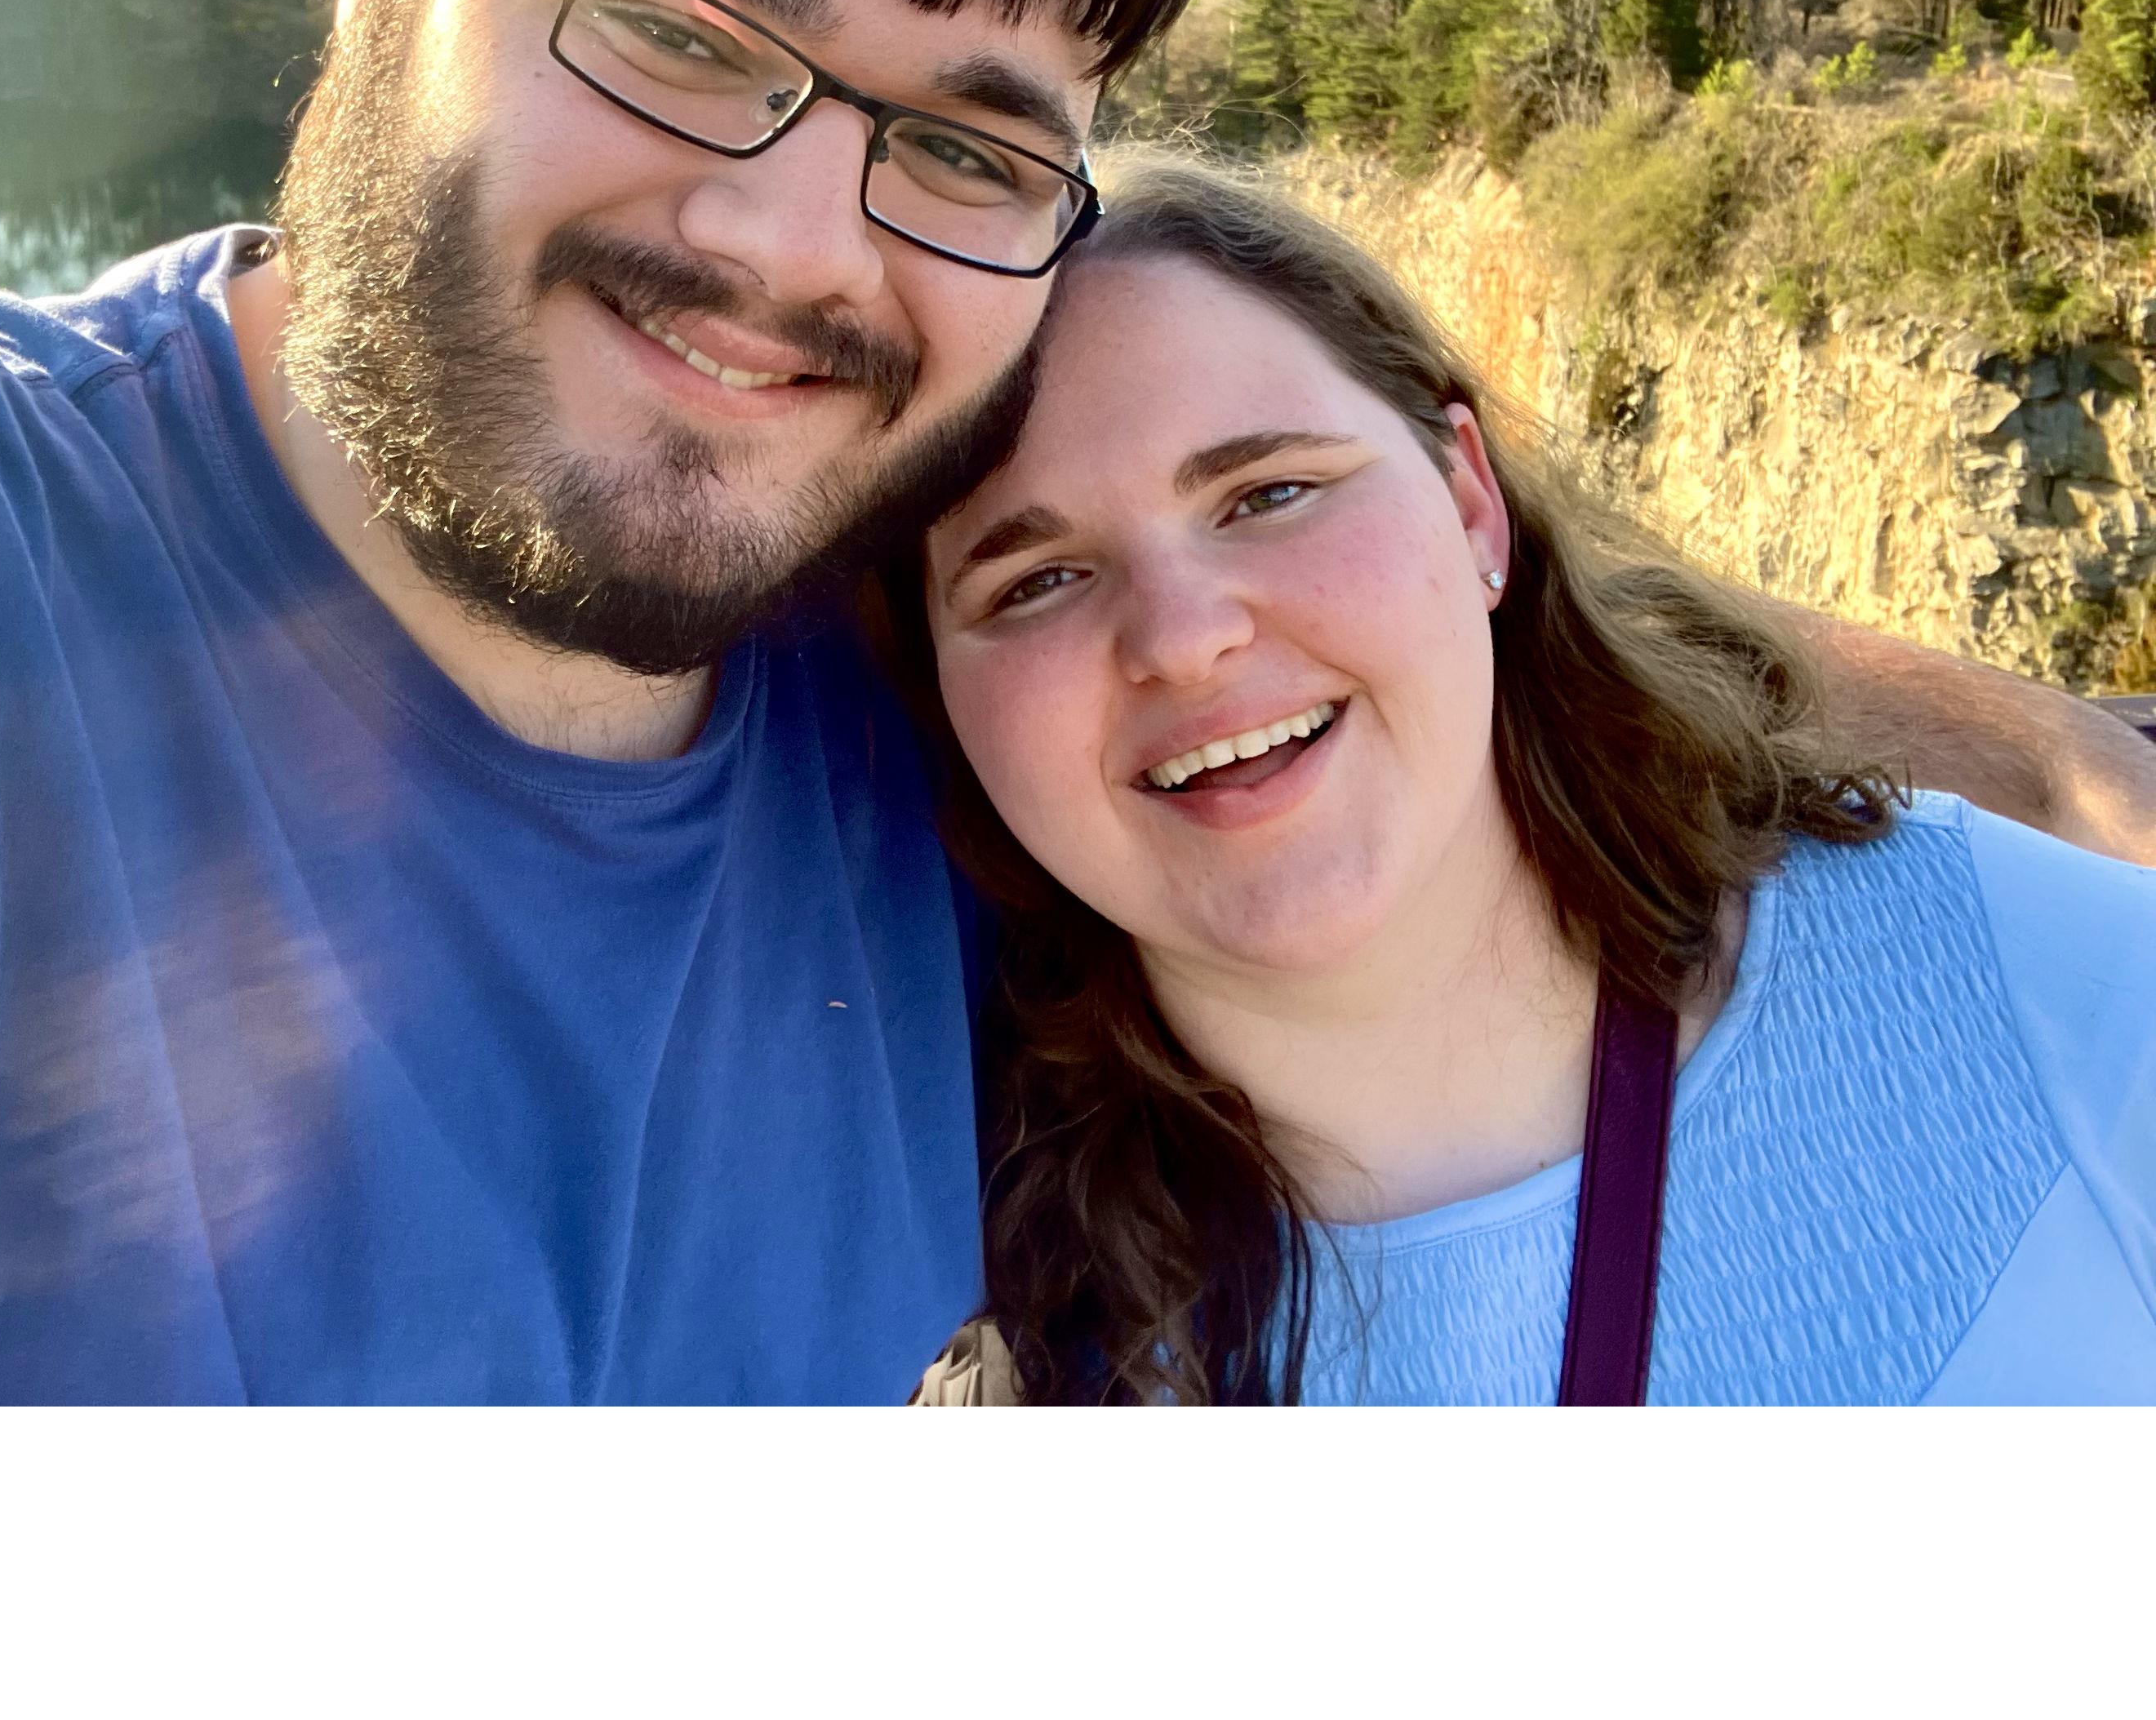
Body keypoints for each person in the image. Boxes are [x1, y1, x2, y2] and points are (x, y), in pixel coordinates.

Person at [0, 0, 2145, 1404]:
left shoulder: (917, 702)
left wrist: (2050, 754)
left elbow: (1431, 624)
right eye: (674, 23)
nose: (780, 243)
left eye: (963, 138)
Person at [902, 153, 2156, 1405]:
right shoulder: (959, 1303)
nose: (1183, 639)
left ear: (1471, 506)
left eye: (1268, 493)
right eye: (1036, 581)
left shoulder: (2051, 996)